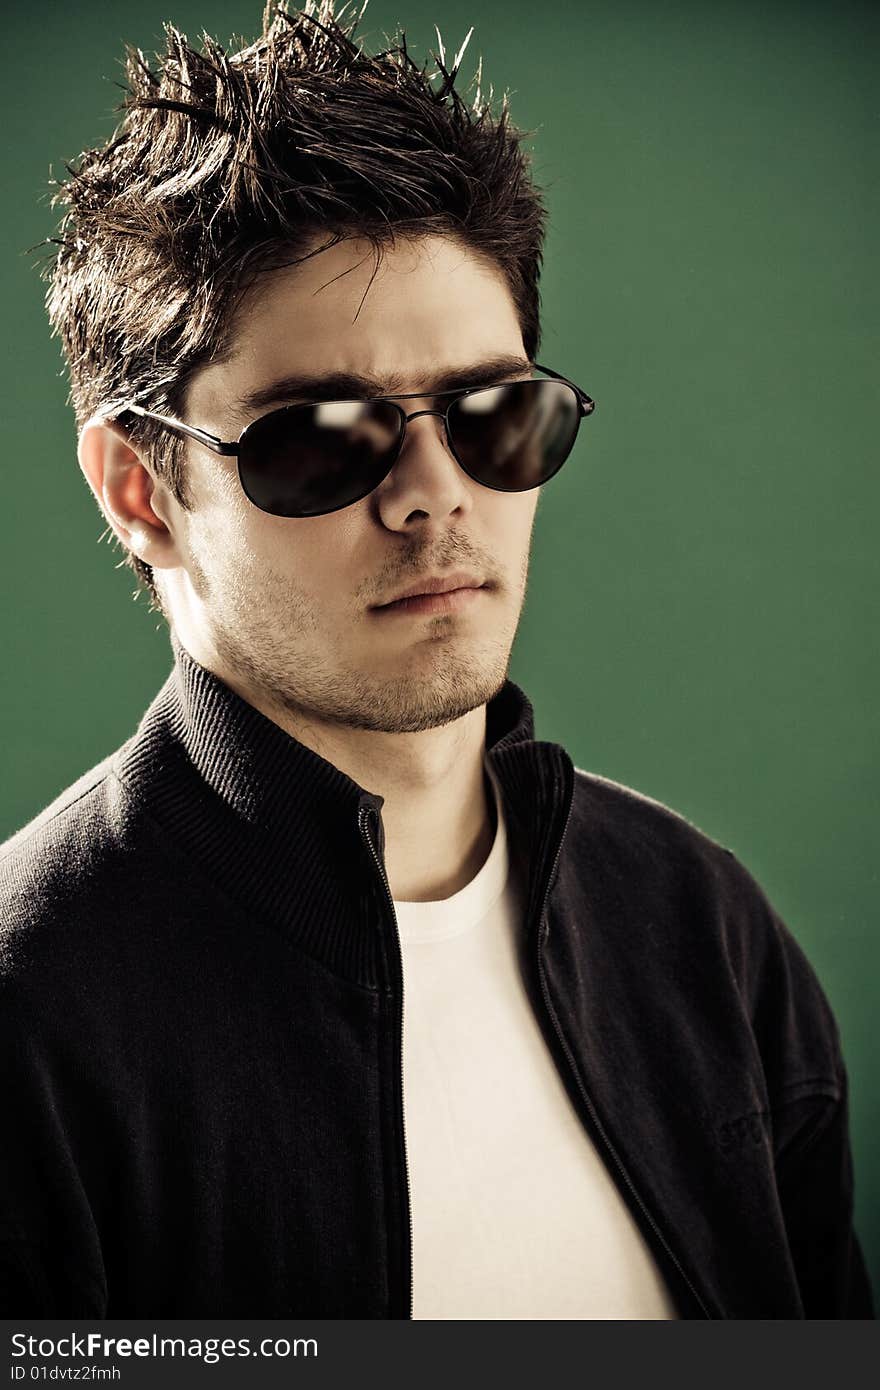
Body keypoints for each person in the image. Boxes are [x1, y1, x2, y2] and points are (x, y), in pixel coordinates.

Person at [0, 0, 872, 1320]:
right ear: (139, 485)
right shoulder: (30, 1016)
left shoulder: (708, 942)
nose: (433, 495)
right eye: (322, 437)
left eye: (490, 415)